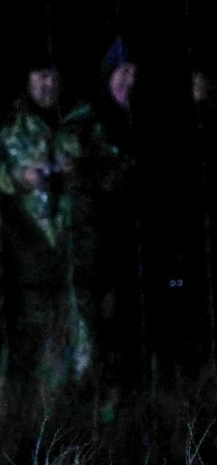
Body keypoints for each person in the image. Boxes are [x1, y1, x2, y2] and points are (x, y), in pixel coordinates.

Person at [0, 50, 85, 386]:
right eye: (40, 76)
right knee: (31, 342)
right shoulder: (8, 124)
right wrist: (19, 177)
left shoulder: (81, 121)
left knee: (81, 342)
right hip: (26, 251)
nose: (48, 83)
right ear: (27, 80)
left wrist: (82, 174)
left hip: (78, 251)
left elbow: (112, 168)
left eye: (54, 76)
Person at [63, 37, 143, 404]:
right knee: (95, 333)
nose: (129, 80)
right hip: (93, 249)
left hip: (128, 247)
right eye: (122, 72)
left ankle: (122, 405)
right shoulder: (85, 122)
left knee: (126, 334)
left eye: (133, 72)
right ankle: (88, 410)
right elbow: (81, 185)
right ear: (108, 74)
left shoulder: (135, 121)